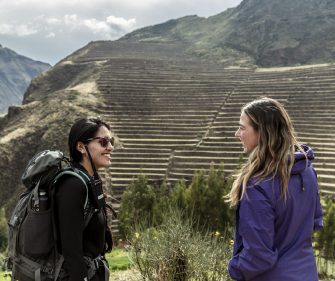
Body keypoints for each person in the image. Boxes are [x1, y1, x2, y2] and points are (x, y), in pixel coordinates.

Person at [227, 97, 323, 281]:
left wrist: (234, 269)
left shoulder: (257, 186)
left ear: (261, 133)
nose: (236, 133)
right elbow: (315, 222)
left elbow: (258, 256)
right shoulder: (308, 171)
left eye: (242, 127)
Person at [55, 117, 114, 281]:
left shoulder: (88, 181)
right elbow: (71, 251)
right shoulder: (72, 186)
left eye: (111, 141)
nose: (111, 147)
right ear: (81, 147)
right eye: (103, 141)